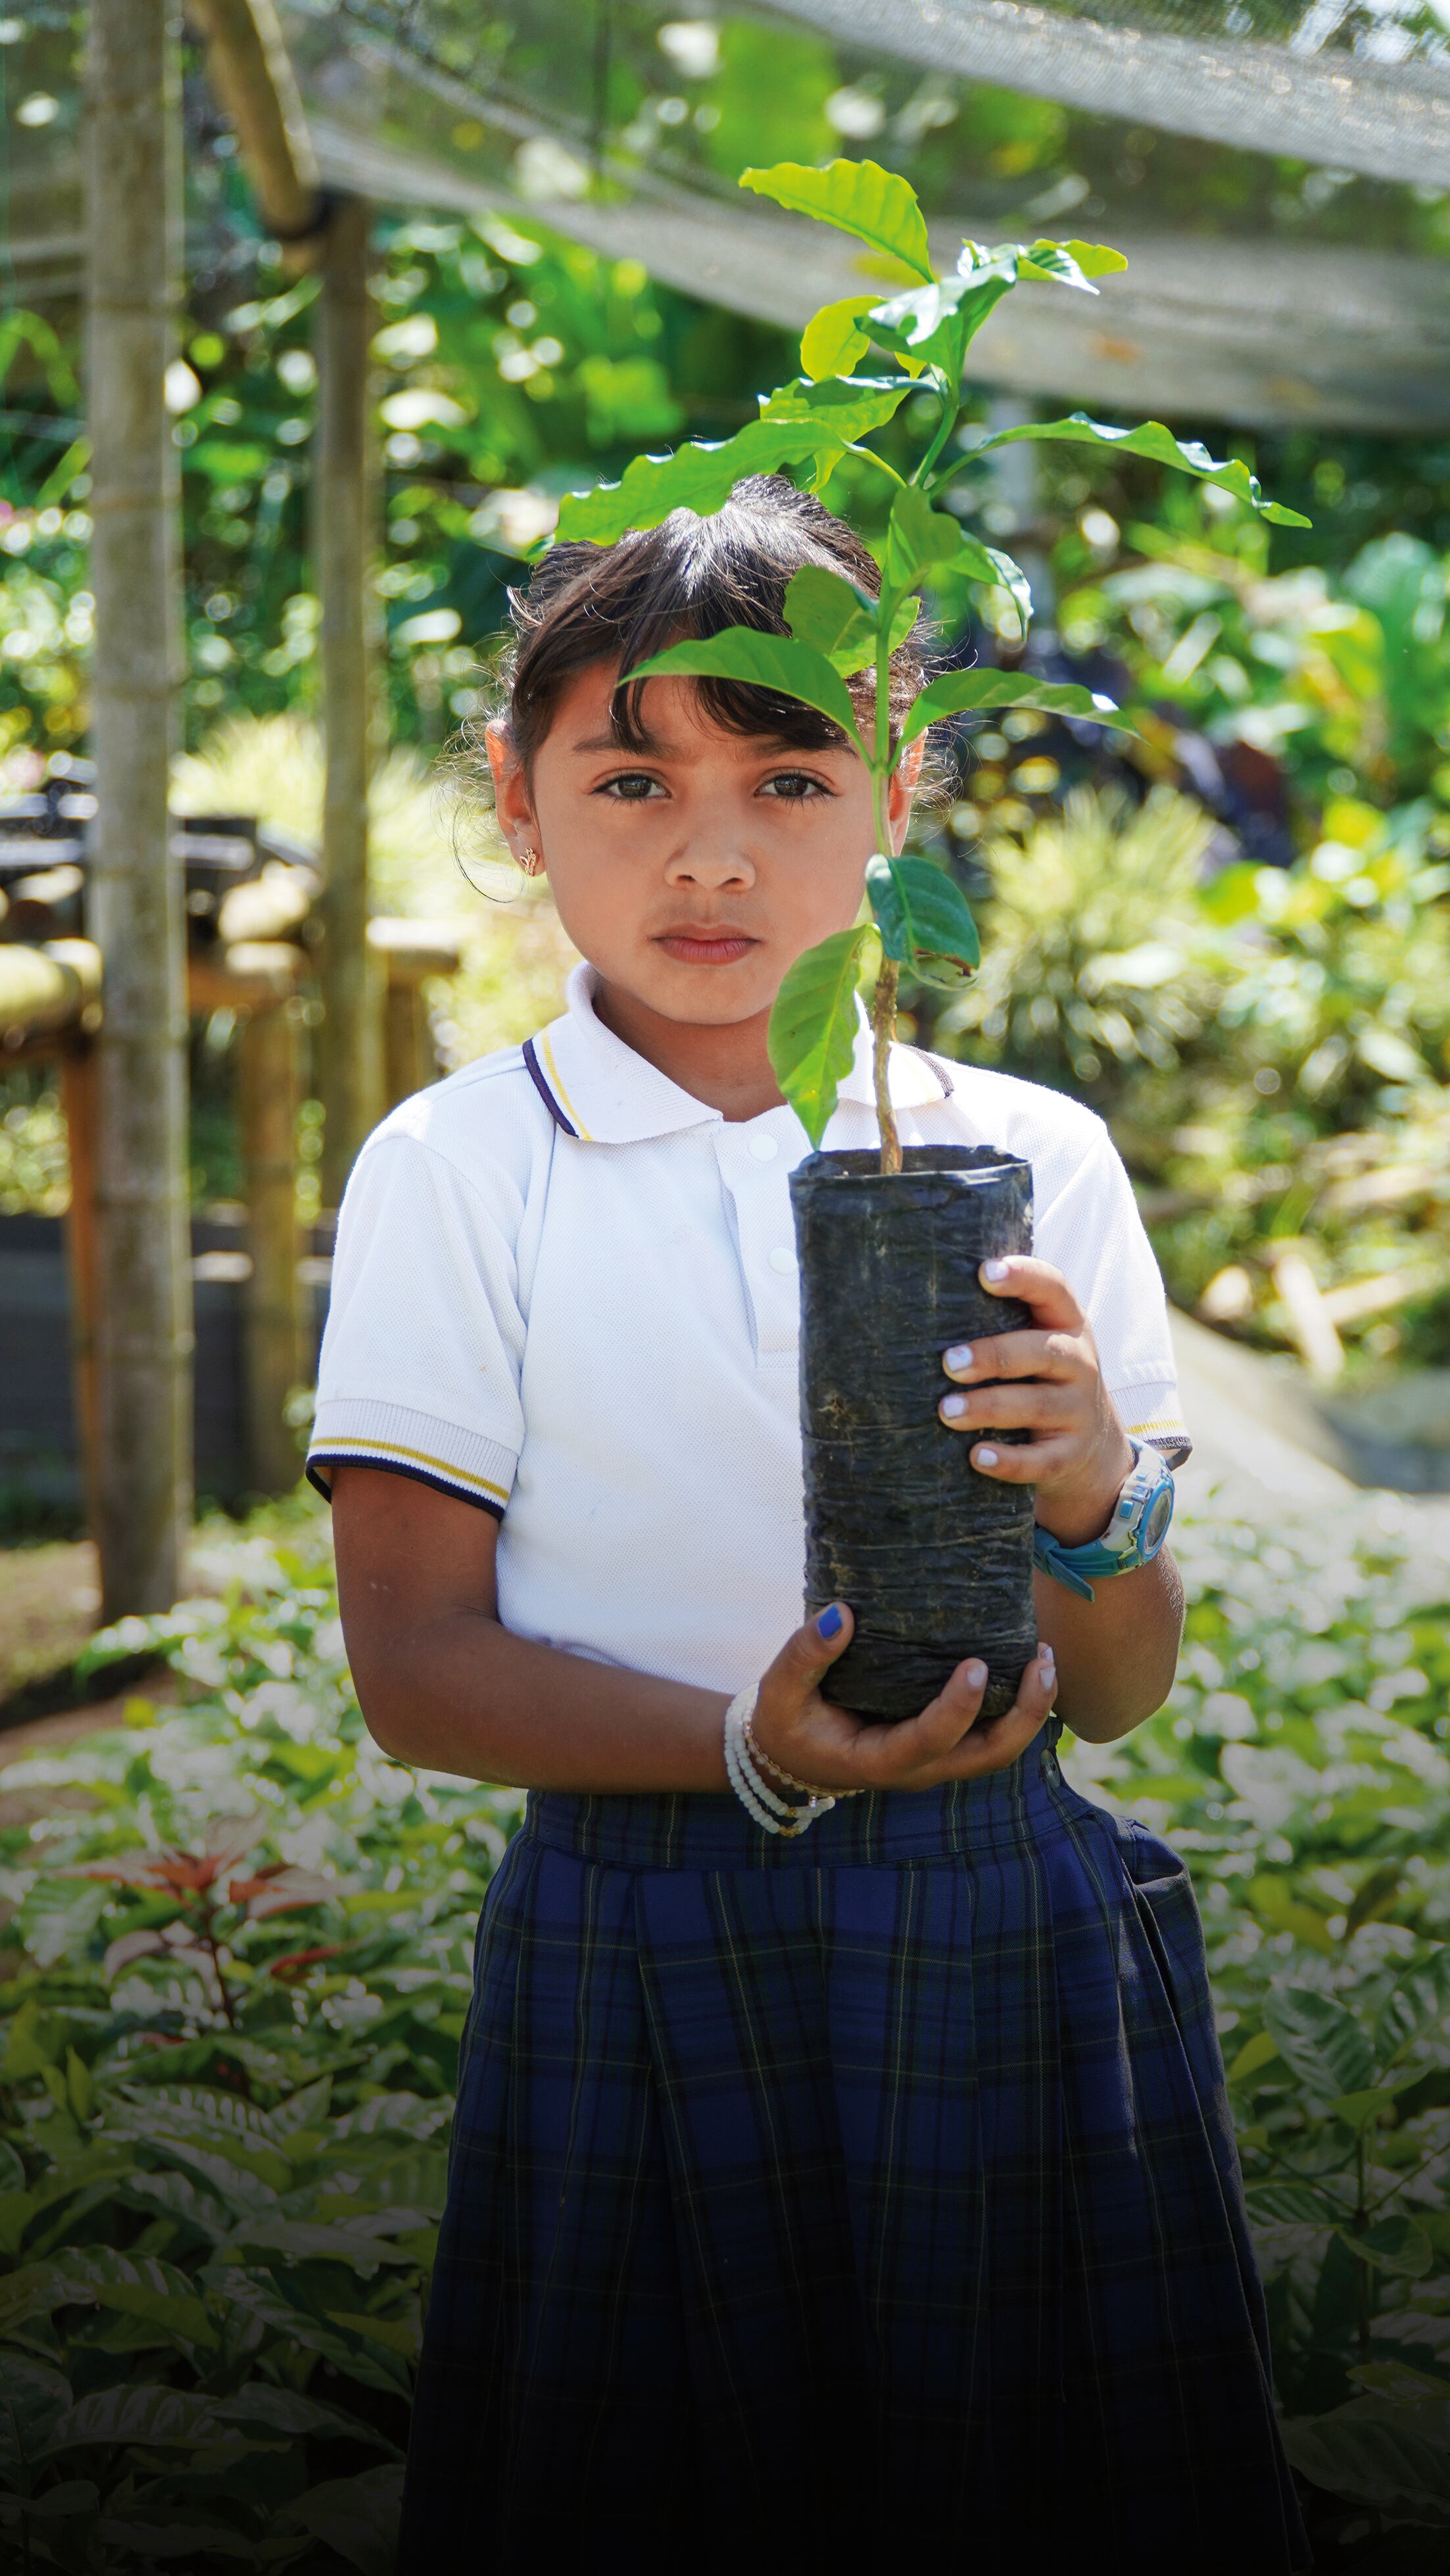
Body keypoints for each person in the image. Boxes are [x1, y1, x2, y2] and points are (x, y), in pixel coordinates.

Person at [310, 477, 1307, 2572]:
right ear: (516, 796)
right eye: (628, 775)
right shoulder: (465, 1168)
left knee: (1024, 2482)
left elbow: (1116, 1694)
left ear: (901, 795)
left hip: (998, 1902)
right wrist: (750, 1749)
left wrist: (1093, 1498)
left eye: (790, 774)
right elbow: (416, 1674)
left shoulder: (1021, 1160)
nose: (711, 849)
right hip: (644, 1913)